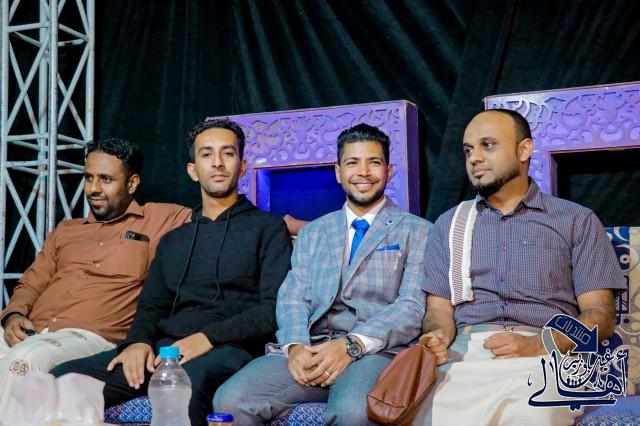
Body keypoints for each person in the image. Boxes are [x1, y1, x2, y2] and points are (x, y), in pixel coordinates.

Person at [52, 119, 292, 426]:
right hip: (166, 351)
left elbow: (273, 309)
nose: (217, 163)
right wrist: (137, 343)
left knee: (185, 383)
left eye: (228, 153)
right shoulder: (173, 240)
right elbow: (151, 306)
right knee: (62, 379)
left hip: (230, 349)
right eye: (206, 154)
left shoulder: (268, 229)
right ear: (193, 170)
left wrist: (207, 338)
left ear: (242, 166)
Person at [416, 109, 627, 425]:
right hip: (465, 355)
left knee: (533, 413)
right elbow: (439, 309)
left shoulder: (575, 220)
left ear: (524, 149)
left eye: (488, 145)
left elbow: (600, 316)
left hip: (548, 355)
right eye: (468, 150)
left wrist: (537, 344)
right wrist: (435, 335)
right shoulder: (449, 225)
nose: (474, 158)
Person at [214, 123, 432, 425]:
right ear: (338, 172)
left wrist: (351, 344)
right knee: (231, 399)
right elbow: (293, 296)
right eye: (352, 163)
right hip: (312, 347)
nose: (363, 172)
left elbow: (411, 306)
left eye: (374, 162)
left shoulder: (418, 231)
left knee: (353, 412)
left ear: (389, 171)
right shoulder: (314, 232)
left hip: (376, 351)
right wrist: (295, 346)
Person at [0, 138, 191, 416]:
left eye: (105, 179)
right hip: (33, 330)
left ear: (132, 183)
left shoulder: (163, 219)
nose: (94, 188)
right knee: (24, 353)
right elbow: (33, 280)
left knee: (26, 360)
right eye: (88, 178)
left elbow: (216, 215)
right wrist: (13, 315)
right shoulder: (67, 230)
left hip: (91, 337)